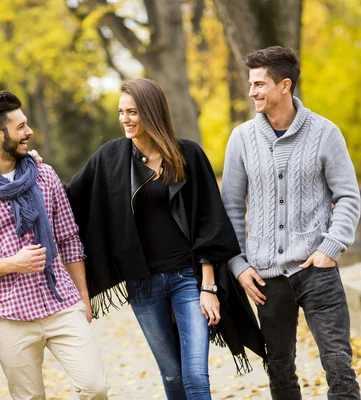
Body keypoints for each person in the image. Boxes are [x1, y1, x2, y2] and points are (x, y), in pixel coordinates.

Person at [66, 78, 266, 400]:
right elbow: (69, 199)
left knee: (196, 375)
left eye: (132, 112)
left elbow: (209, 221)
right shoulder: (111, 159)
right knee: (172, 375)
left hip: (188, 278)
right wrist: (36, 173)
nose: (125, 119)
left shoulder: (187, 154)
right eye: (121, 112)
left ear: (151, 112)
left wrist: (209, 286)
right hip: (143, 285)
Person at [0, 91, 108, 400]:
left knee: (95, 387)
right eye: (20, 127)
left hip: (61, 302)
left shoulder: (43, 175)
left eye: (27, 125)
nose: (29, 132)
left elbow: (69, 238)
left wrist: (83, 297)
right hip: (9, 315)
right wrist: (10, 263)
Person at [221, 46, 361, 400]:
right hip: (266, 278)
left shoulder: (325, 133)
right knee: (280, 369)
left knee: (339, 365)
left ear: (285, 85)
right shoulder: (241, 140)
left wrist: (330, 248)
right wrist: (238, 265)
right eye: (250, 84)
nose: (252, 91)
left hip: (317, 270)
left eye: (259, 84)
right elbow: (231, 209)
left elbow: (347, 196)